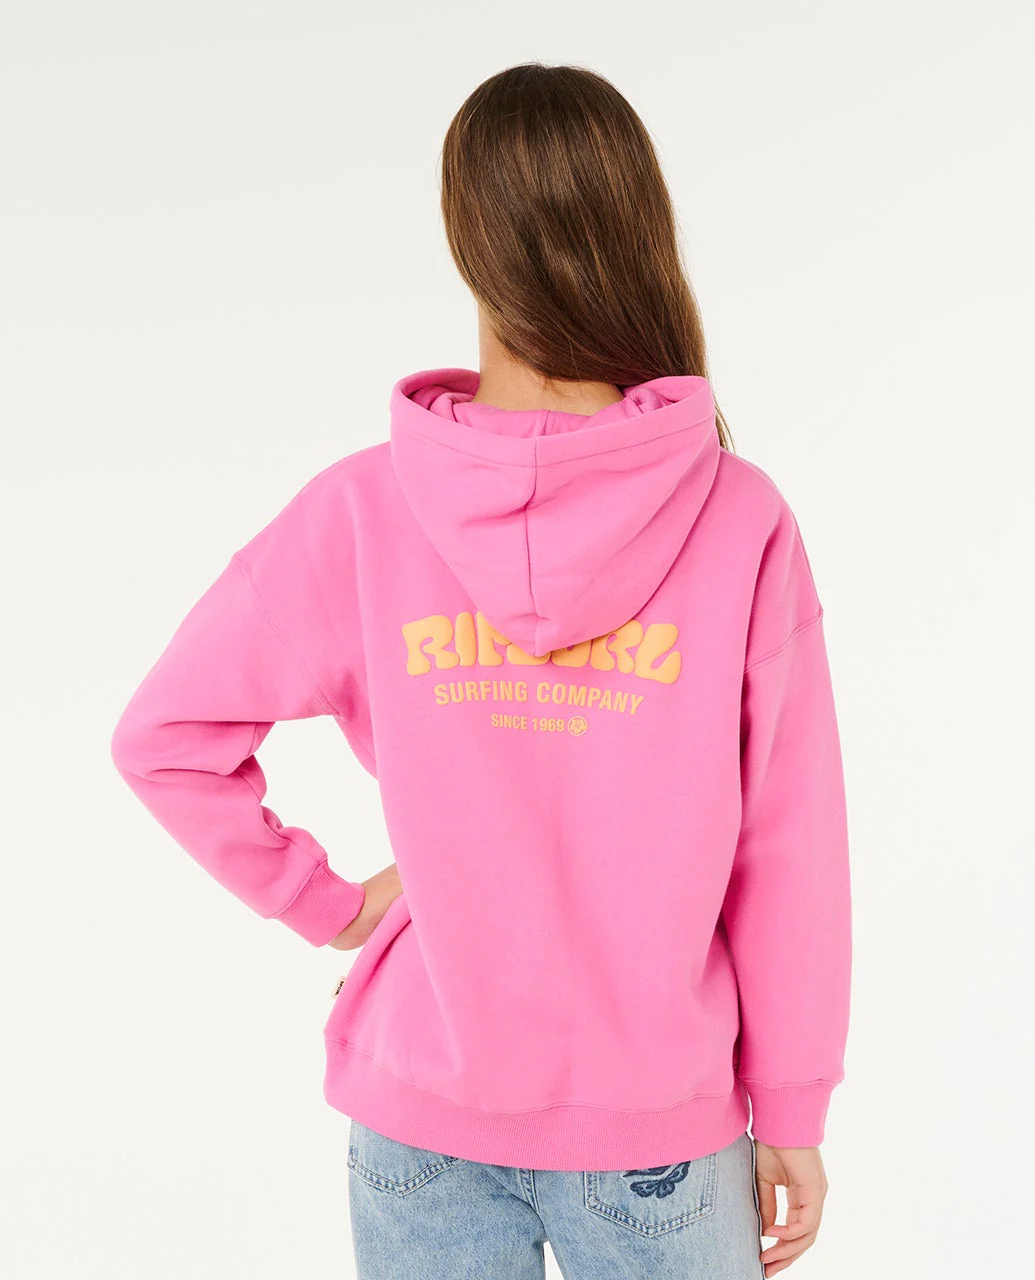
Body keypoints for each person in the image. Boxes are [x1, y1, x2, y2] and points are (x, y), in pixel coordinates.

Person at [110, 61, 851, 1280]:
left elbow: (163, 737)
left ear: (468, 243)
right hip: (654, 1118)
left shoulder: (363, 508)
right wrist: (795, 1106)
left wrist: (328, 904)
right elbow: (790, 843)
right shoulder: (737, 516)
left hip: (421, 1105)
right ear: (638, 231)